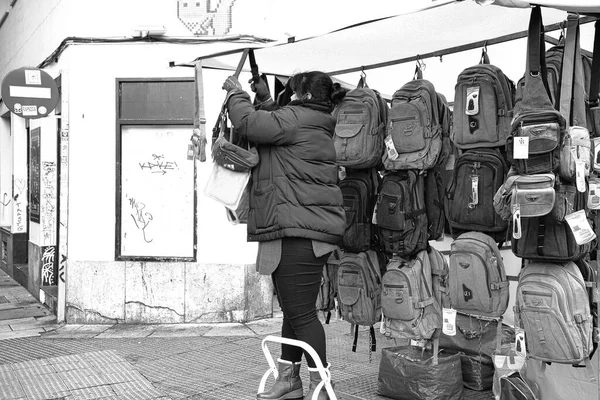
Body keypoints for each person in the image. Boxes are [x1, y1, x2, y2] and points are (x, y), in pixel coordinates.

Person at [222, 71, 346, 400]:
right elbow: (271, 122)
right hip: (306, 232)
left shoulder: (295, 118)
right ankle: (289, 379)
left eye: (291, 90)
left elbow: (250, 123)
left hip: (296, 232)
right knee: (296, 310)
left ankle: (323, 385)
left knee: (302, 315)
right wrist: (264, 96)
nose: (287, 95)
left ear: (302, 95)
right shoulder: (314, 120)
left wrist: (236, 94)